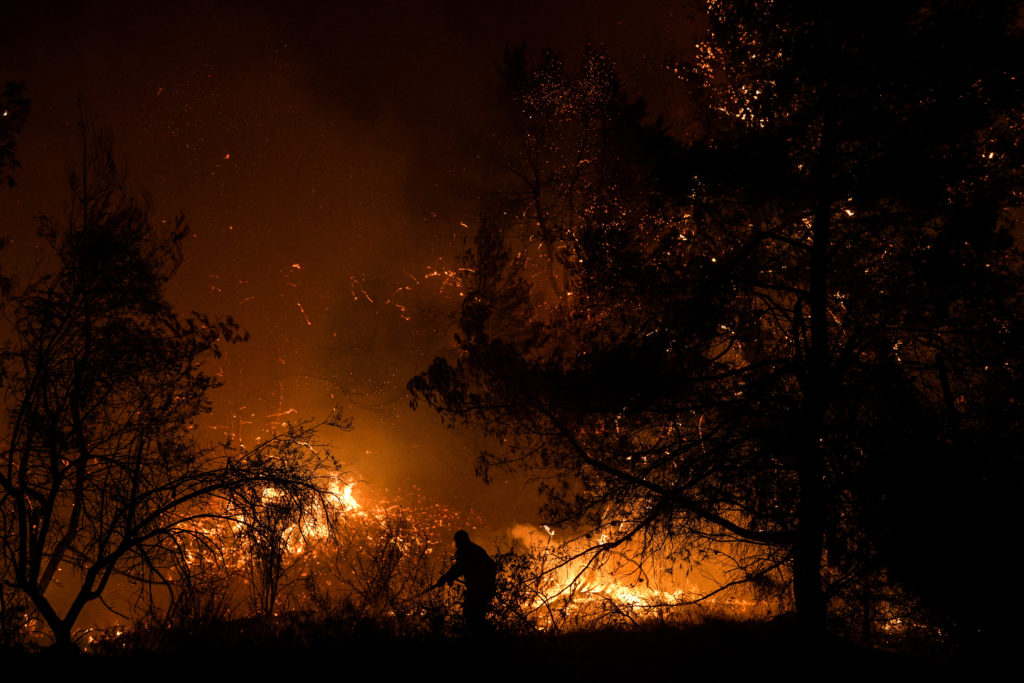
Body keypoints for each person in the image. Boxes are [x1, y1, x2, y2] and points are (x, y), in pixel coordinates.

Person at [432, 529, 497, 631]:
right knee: (475, 616)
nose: (457, 544)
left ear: (463, 541)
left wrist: (445, 578)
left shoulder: (469, 552)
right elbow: (459, 569)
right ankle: (487, 637)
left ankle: (487, 639)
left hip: (480, 590)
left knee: (471, 614)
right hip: (482, 589)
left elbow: (459, 569)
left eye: (458, 542)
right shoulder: (473, 550)